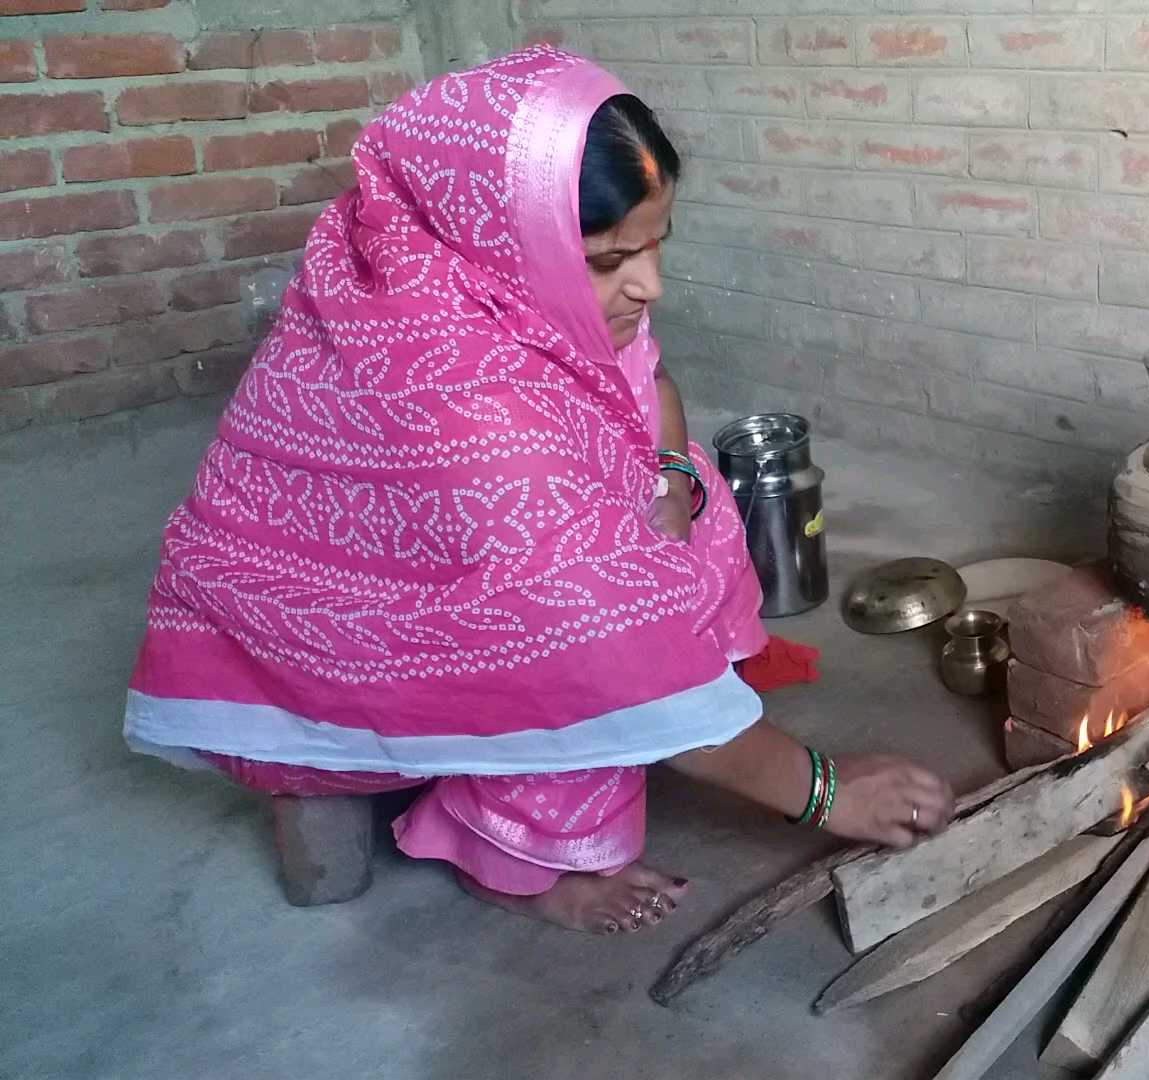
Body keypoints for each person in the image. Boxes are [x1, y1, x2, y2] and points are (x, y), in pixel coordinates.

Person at [122, 47, 955, 936]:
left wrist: (671, 477)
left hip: (447, 576)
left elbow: (650, 385)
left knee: (690, 510)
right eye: (611, 259)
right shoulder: (474, 409)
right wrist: (824, 790)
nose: (651, 284)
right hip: (324, 653)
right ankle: (508, 860)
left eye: (656, 243)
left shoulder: (496, 274)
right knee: (591, 683)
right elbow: (610, 662)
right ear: (516, 241)